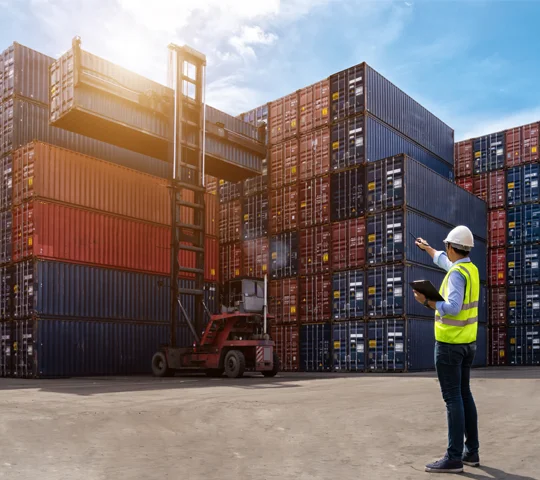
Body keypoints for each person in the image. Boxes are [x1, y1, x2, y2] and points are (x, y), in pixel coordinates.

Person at [412, 225, 480, 474]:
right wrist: (428, 248)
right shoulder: (469, 269)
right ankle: (471, 451)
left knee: (453, 399)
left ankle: (453, 457)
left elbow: (452, 307)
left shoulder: (456, 275)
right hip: (467, 343)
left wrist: (427, 301)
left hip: (450, 345)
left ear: (452, 247)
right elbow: (444, 262)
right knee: (464, 395)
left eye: (446, 247)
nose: (446, 251)